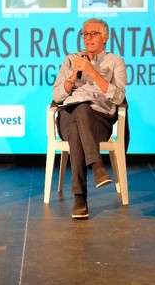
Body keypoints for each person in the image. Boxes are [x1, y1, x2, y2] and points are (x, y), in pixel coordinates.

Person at [52, 18, 127, 219]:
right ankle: (97, 166)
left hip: (99, 120)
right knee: (80, 109)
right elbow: (57, 96)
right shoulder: (71, 59)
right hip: (68, 116)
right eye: (85, 34)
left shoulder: (115, 62)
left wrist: (92, 72)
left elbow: (119, 97)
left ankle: (80, 199)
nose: (88, 38)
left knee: (81, 118)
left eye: (94, 33)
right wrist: (72, 77)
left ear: (105, 37)